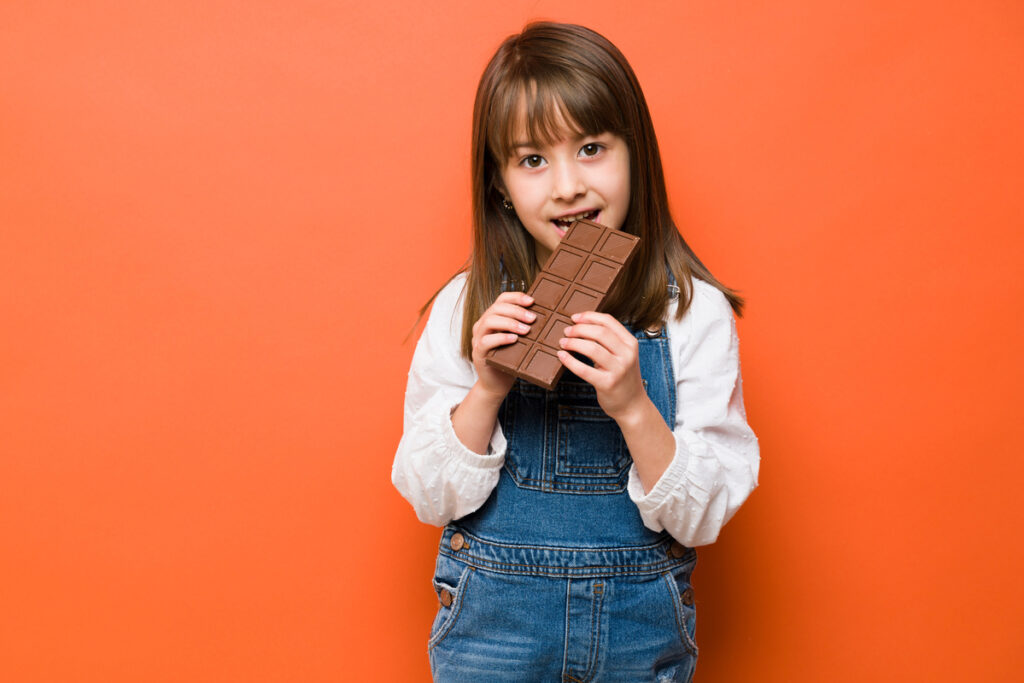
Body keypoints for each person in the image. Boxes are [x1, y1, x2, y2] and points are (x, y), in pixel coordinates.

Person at [392, 21, 759, 682]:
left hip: (638, 637)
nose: (567, 185)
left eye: (591, 147)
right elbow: (428, 495)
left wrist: (633, 406)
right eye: (533, 159)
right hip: (493, 642)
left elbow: (704, 514)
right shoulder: (465, 307)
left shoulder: (688, 312)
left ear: (634, 152)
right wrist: (487, 390)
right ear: (500, 181)